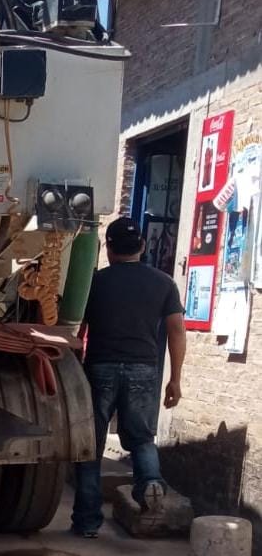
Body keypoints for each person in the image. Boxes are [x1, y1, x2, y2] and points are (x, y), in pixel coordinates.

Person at [71, 216, 185, 538]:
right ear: (143, 247)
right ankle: (149, 481)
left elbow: (78, 331)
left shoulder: (94, 282)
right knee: (142, 439)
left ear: (109, 248)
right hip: (144, 369)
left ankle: (87, 523)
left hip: (100, 369)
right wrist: (175, 378)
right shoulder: (164, 283)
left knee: (90, 447)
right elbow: (176, 330)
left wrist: (72, 368)